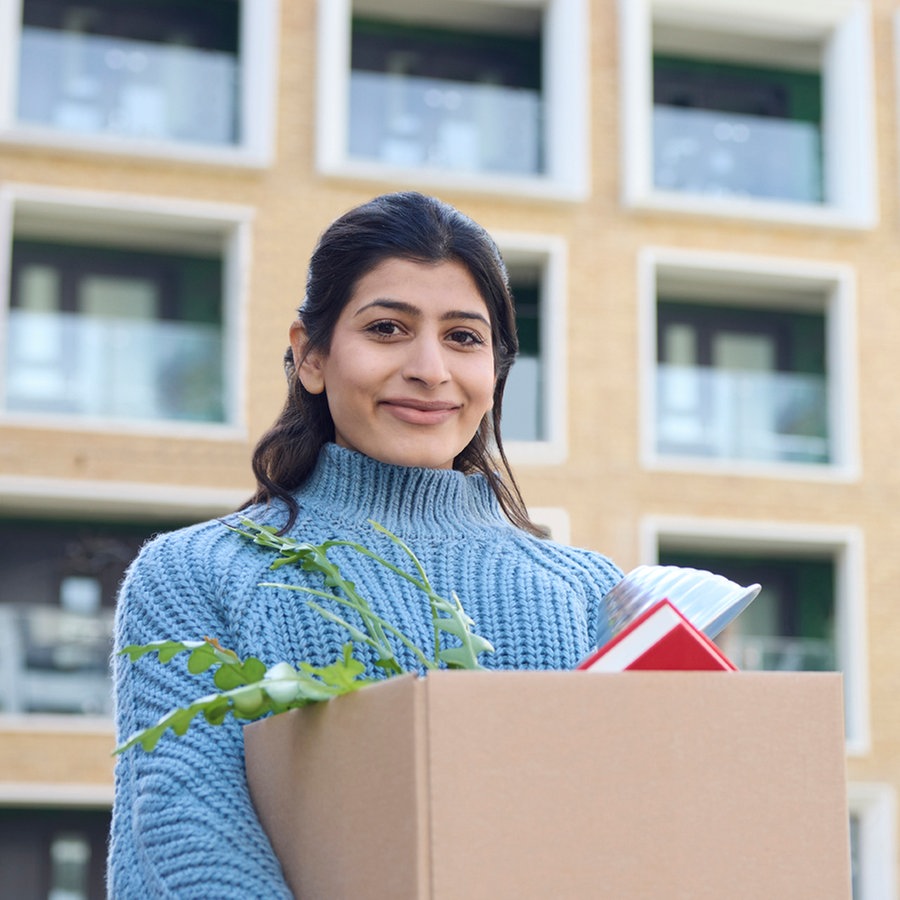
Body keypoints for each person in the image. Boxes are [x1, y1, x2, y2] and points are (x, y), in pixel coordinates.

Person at [108, 191, 623, 897]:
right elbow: (186, 835)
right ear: (310, 356)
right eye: (387, 329)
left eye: (464, 338)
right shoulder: (198, 574)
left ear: (496, 373)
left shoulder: (593, 592)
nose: (431, 369)